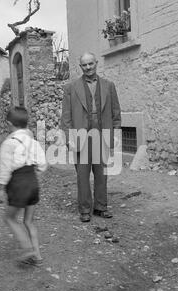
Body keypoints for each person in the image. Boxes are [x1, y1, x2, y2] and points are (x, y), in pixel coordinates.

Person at [60, 52, 121, 222]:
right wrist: (68, 137)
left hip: (102, 135)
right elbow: (66, 116)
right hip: (81, 137)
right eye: (84, 65)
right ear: (80, 67)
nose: (88, 67)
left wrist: (115, 132)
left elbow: (116, 111)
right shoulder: (70, 88)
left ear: (96, 63)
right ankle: (85, 209)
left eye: (90, 64)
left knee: (102, 174)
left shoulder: (109, 85)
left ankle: (101, 207)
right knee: (82, 175)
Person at [0, 107, 47, 265]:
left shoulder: (8, 144)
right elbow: (43, 165)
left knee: (9, 218)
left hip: (18, 185)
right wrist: (35, 175)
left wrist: (0, 189)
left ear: (9, 124)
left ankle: (27, 248)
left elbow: (5, 170)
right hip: (33, 182)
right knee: (28, 221)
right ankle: (38, 256)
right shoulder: (34, 142)